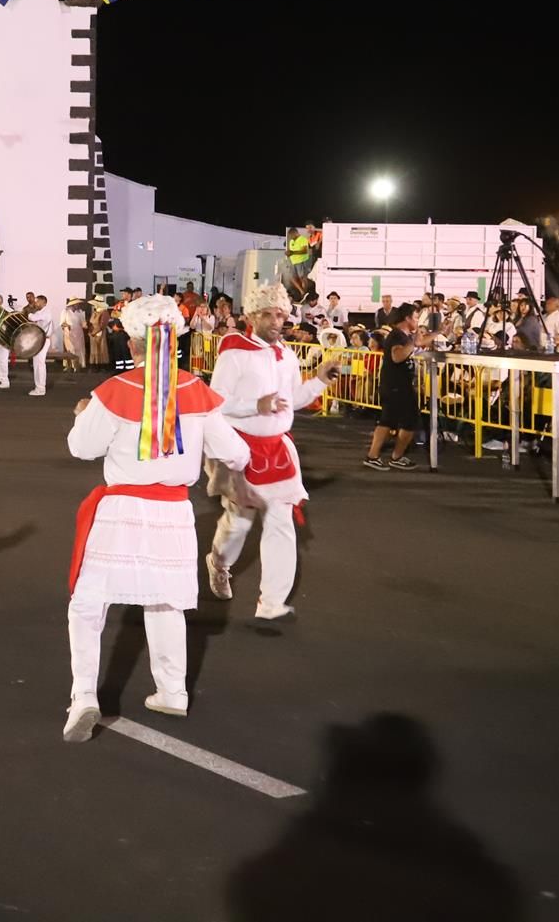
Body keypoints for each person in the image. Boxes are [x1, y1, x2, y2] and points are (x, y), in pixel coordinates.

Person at [62, 294, 255, 736]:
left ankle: (84, 696)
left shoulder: (114, 391)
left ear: (133, 344)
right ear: (175, 342)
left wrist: (82, 415)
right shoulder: (198, 391)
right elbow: (236, 452)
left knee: (88, 602)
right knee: (166, 601)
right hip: (174, 513)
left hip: (121, 510)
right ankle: (172, 692)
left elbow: (81, 448)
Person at [204, 283, 339, 622]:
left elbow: (293, 399)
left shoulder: (288, 355)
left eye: (280, 314)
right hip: (241, 451)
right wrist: (256, 405)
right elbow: (216, 402)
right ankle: (218, 564)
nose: (276, 321)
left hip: (278, 450)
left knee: (281, 524)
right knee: (239, 523)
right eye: (268, 314)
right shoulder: (234, 353)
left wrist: (319, 380)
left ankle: (272, 602)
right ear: (252, 317)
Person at [365, 303, 422, 470]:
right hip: (396, 384)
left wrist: (438, 331)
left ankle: (384, 456)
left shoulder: (402, 335)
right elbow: (397, 357)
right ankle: (383, 456)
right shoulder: (398, 336)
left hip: (397, 384)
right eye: (416, 317)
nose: (417, 321)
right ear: (407, 318)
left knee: (393, 420)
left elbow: (419, 342)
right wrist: (413, 344)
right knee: (399, 421)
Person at [28, 294, 58, 396]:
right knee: (37, 363)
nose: (35, 303)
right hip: (40, 339)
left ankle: (40, 389)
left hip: (43, 340)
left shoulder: (46, 312)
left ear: (43, 302)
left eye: (37, 301)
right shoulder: (40, 312)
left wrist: (28, 313)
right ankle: (39, 387)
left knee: (39, 364)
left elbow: (32, 317)